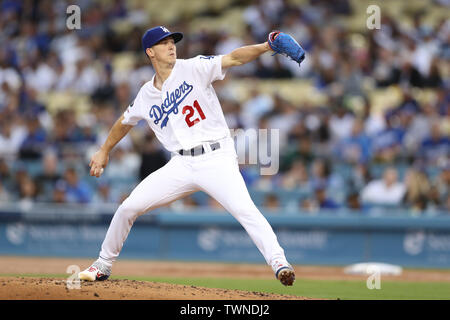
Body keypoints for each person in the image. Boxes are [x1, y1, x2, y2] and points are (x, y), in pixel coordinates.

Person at [78, 26, 303, 286]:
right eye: (163, 43)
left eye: (172, 40)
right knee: (128, 207)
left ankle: (280, 263)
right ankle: (102, 265)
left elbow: (234, 58)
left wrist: (267, 47)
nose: (171, 45)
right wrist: (104, 150)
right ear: (150, 52)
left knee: (245, 210)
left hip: (216, 157)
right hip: (181, 163)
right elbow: (124, 122)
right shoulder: (146, 94)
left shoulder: (193, 67)